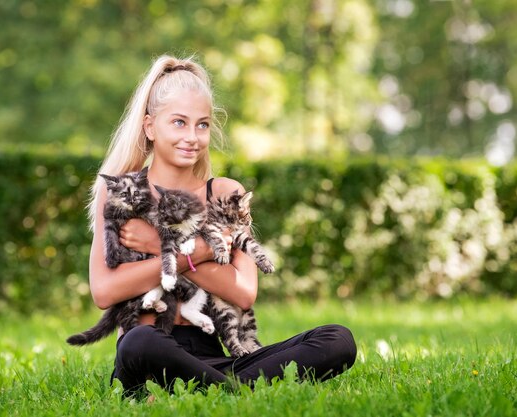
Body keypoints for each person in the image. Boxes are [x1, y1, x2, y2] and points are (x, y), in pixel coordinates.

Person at [87, 54, 357, 395]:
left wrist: (161, 245)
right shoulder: (120, 194)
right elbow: (104, 291)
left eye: (202, 124)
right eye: (179, 123)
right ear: (150, 126)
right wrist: (197, 253)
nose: (193, 137)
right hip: (150, 356)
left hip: (214, 358)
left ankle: (223, 387)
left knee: (337, 339)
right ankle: (238, 391)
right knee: (138, 342)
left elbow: (243, 292)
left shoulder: (225, 193)